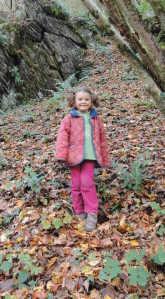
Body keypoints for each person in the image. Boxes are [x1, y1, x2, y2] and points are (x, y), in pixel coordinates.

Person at [56, 86, 111, 232]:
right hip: (74, 158)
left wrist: (105, 158)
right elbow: (62, 138)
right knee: (76, 185)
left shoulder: (96, 119)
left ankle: (92, 213)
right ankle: (80, 213)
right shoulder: (68, 119)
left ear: (91, 101)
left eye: (86, 99)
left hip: (90, 157)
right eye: (80, 99)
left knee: (87, 183)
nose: (83, 102)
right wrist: (61, 156)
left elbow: (102, 140)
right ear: (74, 101)